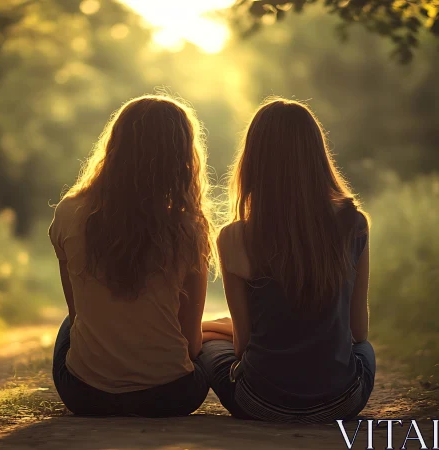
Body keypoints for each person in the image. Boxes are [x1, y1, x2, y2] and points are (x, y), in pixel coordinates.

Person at [198, 97, 374, 423]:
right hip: (341, 402)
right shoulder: (354, 223)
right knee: (366, 352)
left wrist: (208, 330)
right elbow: (357, 331)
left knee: (208, 349)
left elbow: (243, 346)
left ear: (252, 160)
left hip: (259, 403)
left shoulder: (234, 237)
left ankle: (207, 332)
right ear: (317, 157)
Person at [49, 94, 216, 417]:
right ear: (182, 156)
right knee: (213, 349)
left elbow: (79, 314)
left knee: (71, 323)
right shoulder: (188, 228)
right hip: (172, 396)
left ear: (115, 148)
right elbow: (192, 344)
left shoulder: (68, 212)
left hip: (85, 395)